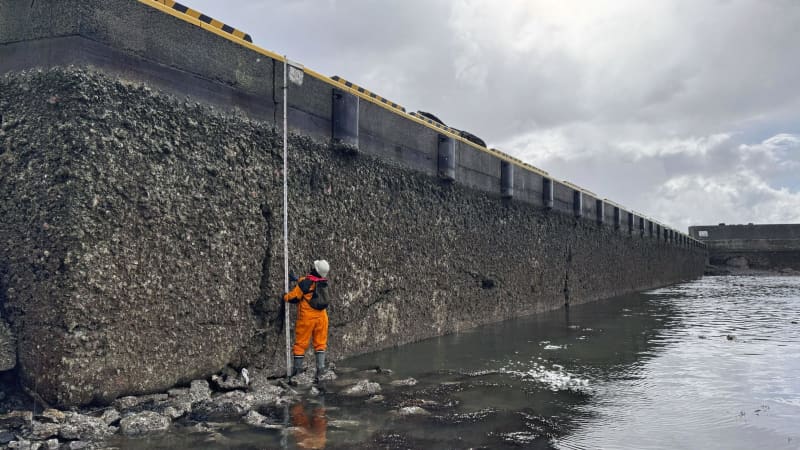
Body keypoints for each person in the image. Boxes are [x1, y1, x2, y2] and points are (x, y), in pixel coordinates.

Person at [283, 259, 331, 381]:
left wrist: (285, 297)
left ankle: (297, 373)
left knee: (301, 343)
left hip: (307, 318)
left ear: (315, 268)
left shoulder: (305, 283)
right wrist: (297, 279)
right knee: (320, 343)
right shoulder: (323, 282)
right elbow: (308, 282)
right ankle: (320, 370)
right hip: (322, 317)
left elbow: (294, 297)